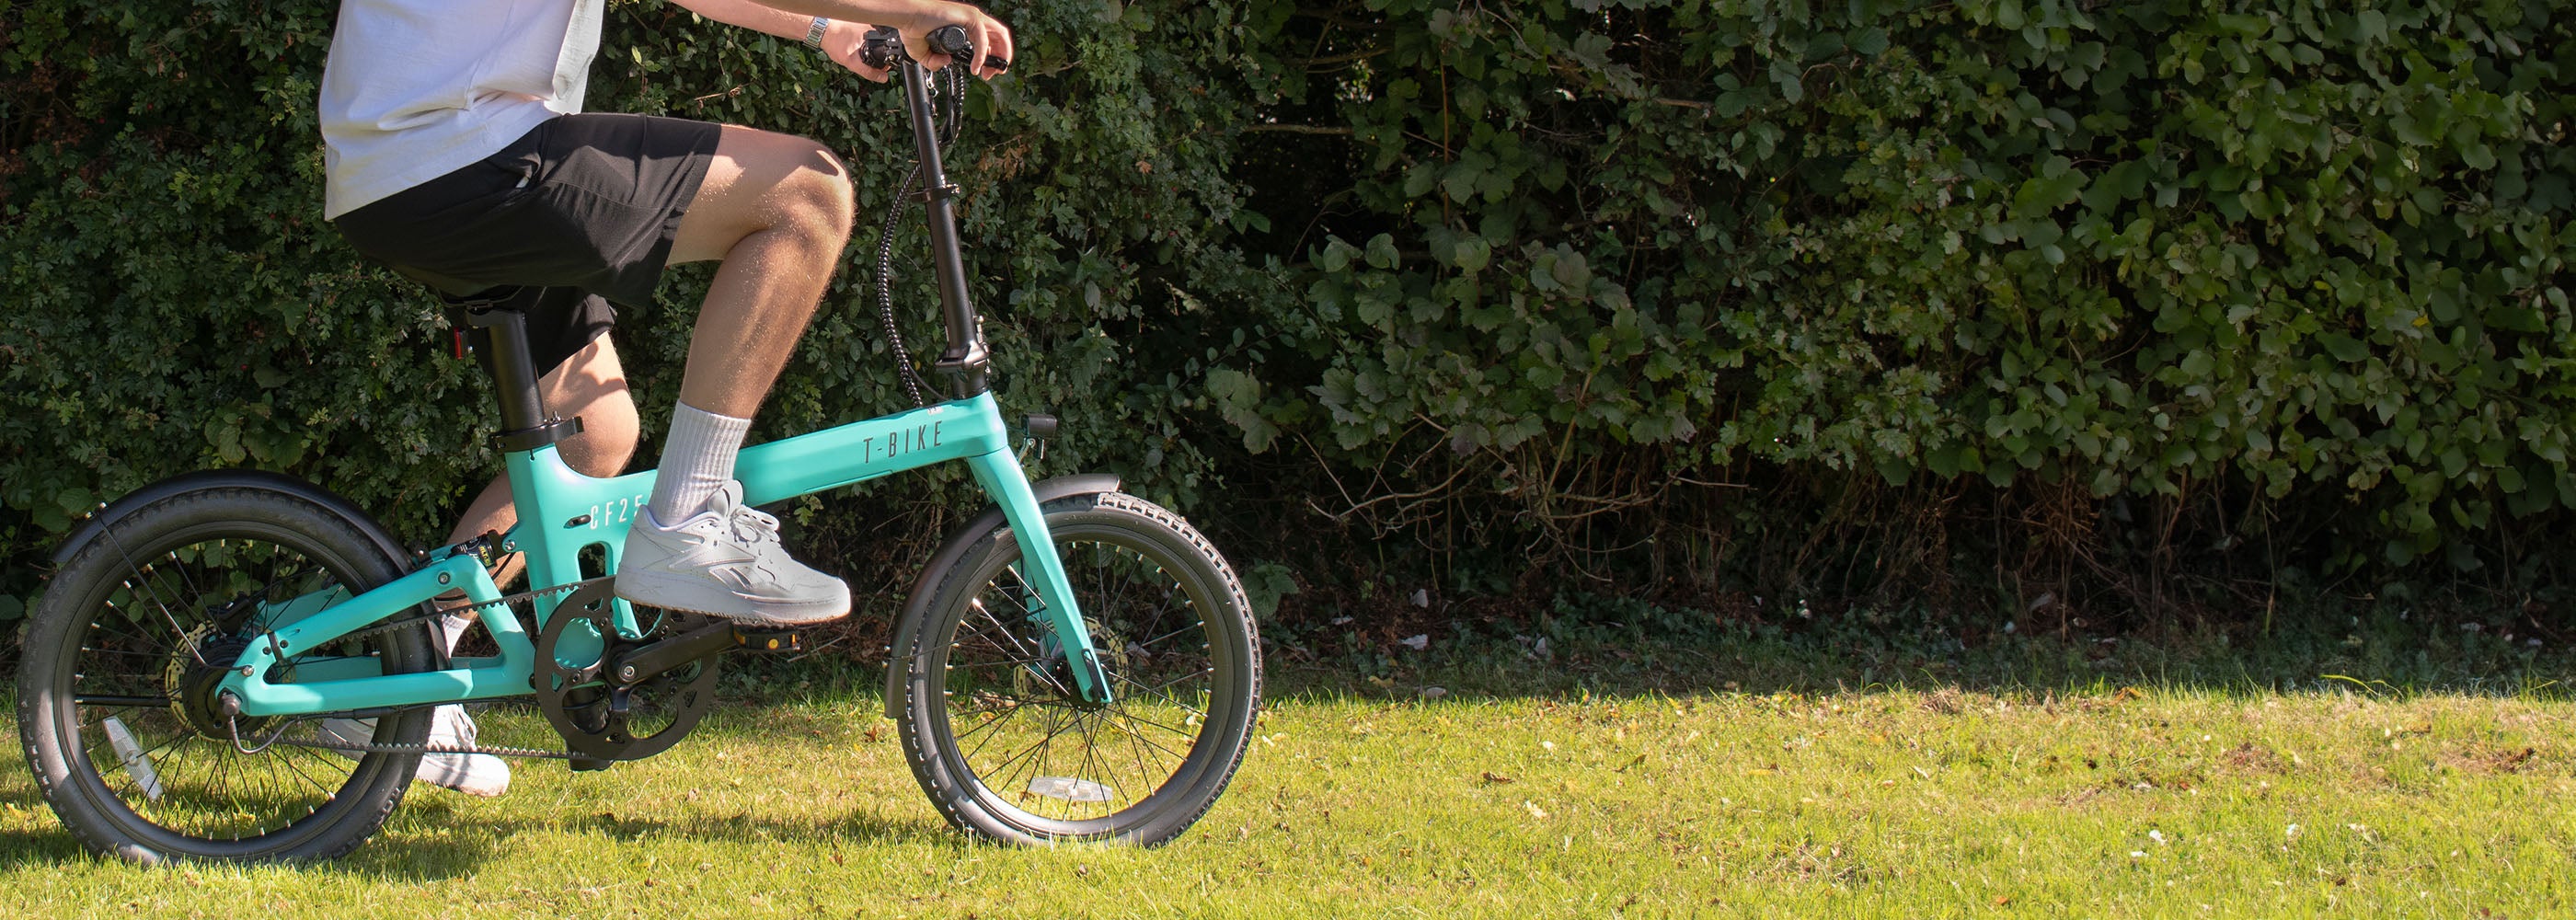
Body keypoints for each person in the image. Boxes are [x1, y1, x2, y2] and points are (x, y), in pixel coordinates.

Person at [313, 0, 1012, 797]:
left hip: (421, 161)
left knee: (594, 434)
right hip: (460, 154)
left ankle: (410, 660)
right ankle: (686, 520)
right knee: (806, 197)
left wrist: (828, 29)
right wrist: (910, 9)